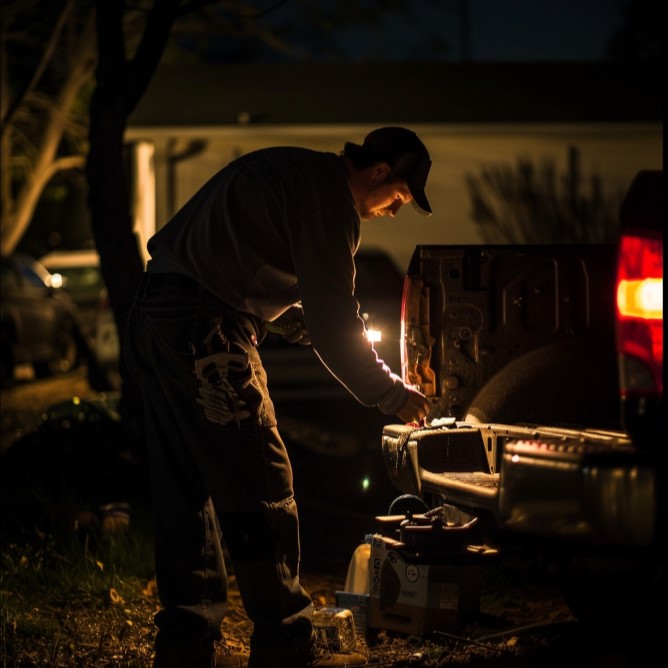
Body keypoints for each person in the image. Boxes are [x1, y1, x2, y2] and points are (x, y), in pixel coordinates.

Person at [123, 126, 433, 668]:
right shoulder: (329, 201)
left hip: (156, 314)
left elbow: (242, 271)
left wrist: (300, 325)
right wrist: (392, 394)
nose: (393, 210)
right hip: (206, 333)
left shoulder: (291, 168)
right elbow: (335, 321)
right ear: (380, 172)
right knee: (260, 477)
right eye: (399, 198)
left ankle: (186, 641)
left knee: (184, 481)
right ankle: (286, 641)